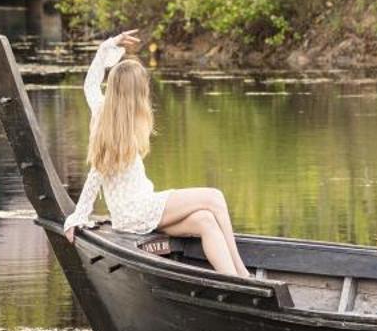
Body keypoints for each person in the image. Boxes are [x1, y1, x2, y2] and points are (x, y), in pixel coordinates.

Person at [61, 30, 247, 277]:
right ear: (136, 93)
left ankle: (234, 280)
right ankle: (243, 271)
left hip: (138, 209)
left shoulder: (100, 109)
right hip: (136, 210)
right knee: (214, 198)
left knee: (205, 220)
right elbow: (96, 172)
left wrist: (109, 44)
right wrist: (79, 215)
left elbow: (90, 83)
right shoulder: (116, 131)